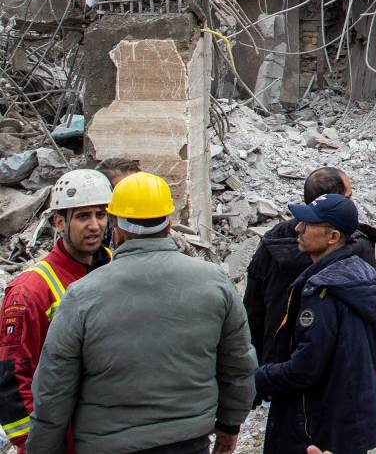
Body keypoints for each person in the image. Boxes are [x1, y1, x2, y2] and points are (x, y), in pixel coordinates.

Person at [28, 172, 256, 454]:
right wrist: (230, 425)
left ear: (117, 226)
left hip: (107, 444)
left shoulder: (81, 295)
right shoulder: (214, 282)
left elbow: (53, 390)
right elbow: (239, 364)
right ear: (169, 222)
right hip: (189, 442)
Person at [244, 166, 376, 394]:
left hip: (280, 369)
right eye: (348, 198)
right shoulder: (352, 249)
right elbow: (374, 310)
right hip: (337, 374)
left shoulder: (274, 240)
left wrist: (255, 375)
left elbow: (253, 312)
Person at [255, 193, 376, 454]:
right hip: (347, 419)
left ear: (333, 237)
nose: (298, 228)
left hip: (319, 427)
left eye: (308, 224)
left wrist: (260, 377)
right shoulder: (356, 275)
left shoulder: (323, 292)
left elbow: (307, 366)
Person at [0, 171, 114, 452]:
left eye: (101, 215)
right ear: (59, 221)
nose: (94, 226)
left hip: (113, 433)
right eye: (83, 216)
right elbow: (12, 378)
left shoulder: (118, 267)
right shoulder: (31, 290)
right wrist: (35, 444)